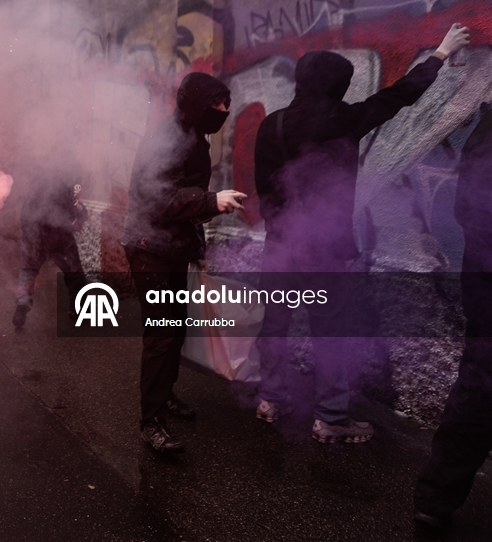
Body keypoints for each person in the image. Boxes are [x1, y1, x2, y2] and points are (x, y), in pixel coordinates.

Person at [253, 24, 470, 444]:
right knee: (329, 333)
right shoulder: (343, 119)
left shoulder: (271, 125)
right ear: (338, 85)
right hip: (324, 253)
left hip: (280, 246)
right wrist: (440, 53)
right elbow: (399, 96)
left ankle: (269, 399)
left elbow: (264, 188)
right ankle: (330, 420)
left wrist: (280, 227)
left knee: (275, 325)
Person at [122, 72, 246, 454]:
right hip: (149, 248)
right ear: (195, 103)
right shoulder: (169, 138)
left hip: (171, 247)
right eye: (216, 104)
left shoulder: (192, 134)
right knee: (161, 335)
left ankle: (165, 396)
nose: (224, 110)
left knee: (174, 329)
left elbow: (181, 207)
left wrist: (197, 250)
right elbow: (156, 199)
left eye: (225, 103)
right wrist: (211, 201)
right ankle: (151, 420)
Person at [414, 103, 491, 531]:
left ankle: (435, 498)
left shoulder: (486, 127)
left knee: (477, 385)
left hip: (482, 275)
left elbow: (468, 209)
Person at [12, 161, 88, 329]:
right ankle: (78, 309)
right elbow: (71, 202)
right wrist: (82, 214)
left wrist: (26, 228)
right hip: (57, 231)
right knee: (73, 270)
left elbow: (30, 200)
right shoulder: (71, 167)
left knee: (29, 269)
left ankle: (23, 302)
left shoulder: (42, 163)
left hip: (32, 227)